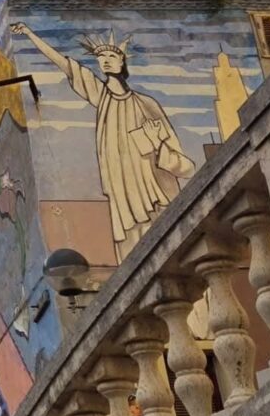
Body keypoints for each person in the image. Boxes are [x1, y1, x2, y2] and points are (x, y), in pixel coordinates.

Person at [10, 22, 193, 257]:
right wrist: (29, 33)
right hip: (122, 190)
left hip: (153, 188)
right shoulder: (101, 96)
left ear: (122, 62)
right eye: (100, 57)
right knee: (131, 248)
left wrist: (156, 145)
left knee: (168, 245)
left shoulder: (146, 104)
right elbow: (66, 66)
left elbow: (183, 164)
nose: (105, 60)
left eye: (111, 55)